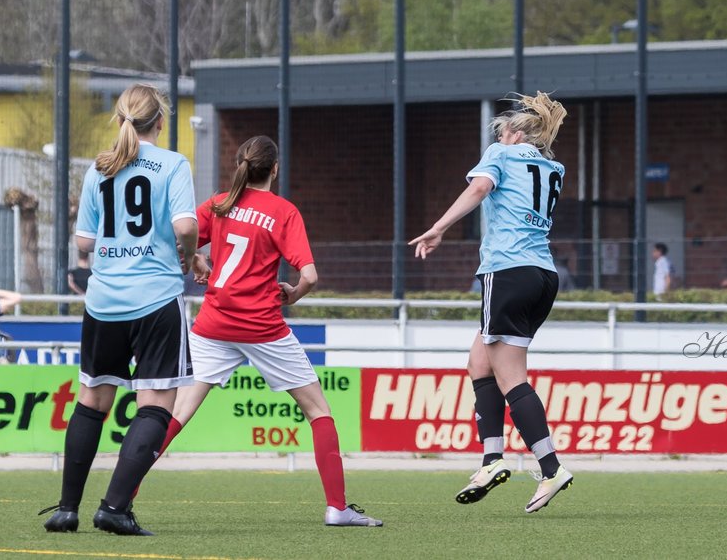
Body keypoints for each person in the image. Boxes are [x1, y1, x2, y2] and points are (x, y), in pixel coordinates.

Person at [142, 134, 382, 527]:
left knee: (178, 413)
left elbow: (173, 238)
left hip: (214, 324)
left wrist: (198, 261)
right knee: (318, 411)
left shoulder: (218, 204)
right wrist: (293, 295)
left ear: (239, 165)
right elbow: (310, 275)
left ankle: (122, 496)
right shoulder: (283, 212)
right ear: (274, 169)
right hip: (262, 327)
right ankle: (337, 508)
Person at [41, 83, 198, 537]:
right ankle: (113, 508)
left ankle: (67, 509)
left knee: (92, 401)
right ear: (160, 123)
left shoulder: (99, 168)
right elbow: (185, 225)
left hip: (104, 301)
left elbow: (85, 242)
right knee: (154, 407)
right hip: (154, 300)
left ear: (120, 120)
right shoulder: (173, 164)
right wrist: (191, 254)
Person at [409, 91, 573, 514]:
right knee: (479, 362)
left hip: (508, 270)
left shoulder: (503, 152)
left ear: (516, 134)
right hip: (543, 275)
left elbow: (480, 187)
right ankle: (491, 460)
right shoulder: (553, 166)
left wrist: (438, 227)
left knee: (510, 375)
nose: (499, 136)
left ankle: (551, 468)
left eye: (502, 131)